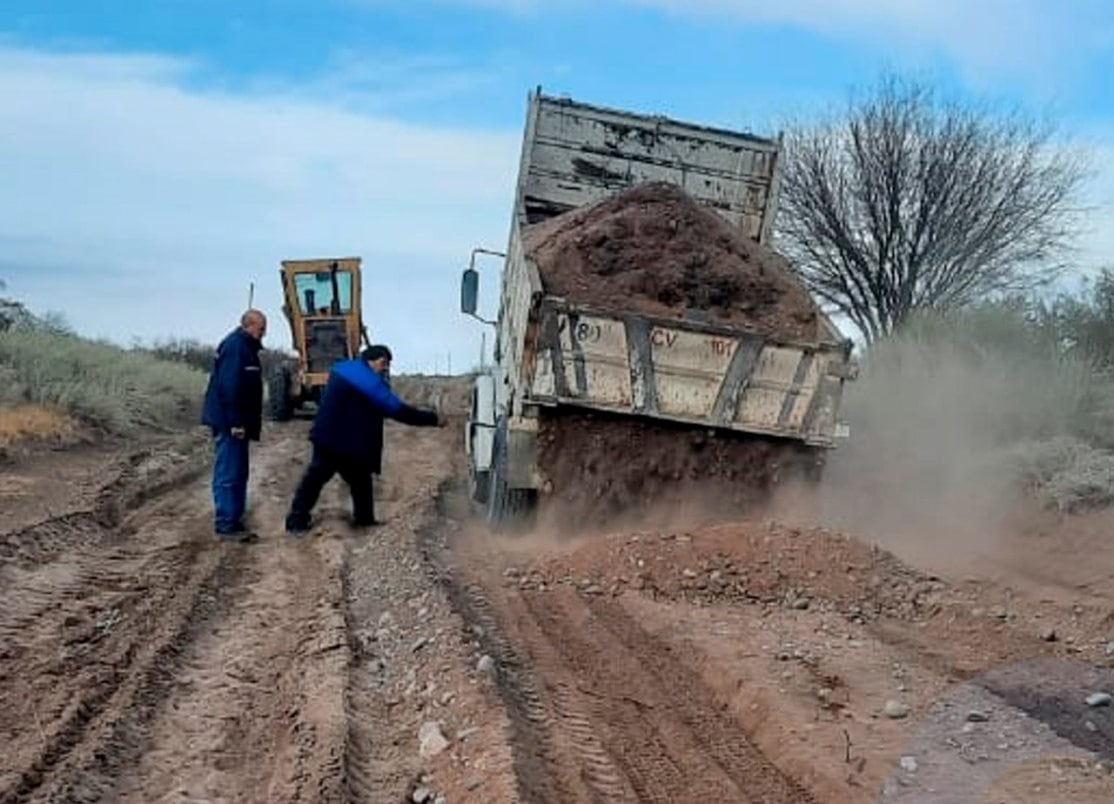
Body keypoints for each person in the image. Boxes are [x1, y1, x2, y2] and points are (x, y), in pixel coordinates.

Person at [285, 345, 441, 534]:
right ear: (371, 360)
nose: (385, 368)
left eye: (388, 365)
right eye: (383, 363)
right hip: (340, 442)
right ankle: (357, 521)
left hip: (328, 437)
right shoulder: (366, 381)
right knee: (332, 478)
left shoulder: (343, 369)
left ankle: (301, 521)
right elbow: (398, 410)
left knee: (346, 480)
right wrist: (434, 419)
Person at [201, 309, 267, 543]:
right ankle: (226, 525)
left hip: (237, 423)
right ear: (249, 325)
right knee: (229, 473)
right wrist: (236, 422)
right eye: (261, 328)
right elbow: (230, 387)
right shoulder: (236, 348)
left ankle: (234, 520)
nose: (264, 333)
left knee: (239, 472)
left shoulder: (245, 347)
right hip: (231, 424)